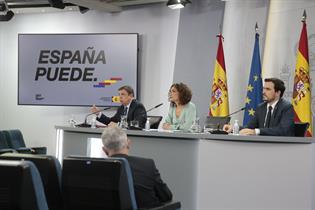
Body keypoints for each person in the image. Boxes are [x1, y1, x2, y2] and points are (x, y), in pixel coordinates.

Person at [101, 126, 173, 208]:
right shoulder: (147, 165)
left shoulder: (96, 169)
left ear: (104, 150)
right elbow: (166, 196)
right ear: (128, 143)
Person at [223, 78, 295, 136]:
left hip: (280, 148)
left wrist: (257, 131)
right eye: (264, 88)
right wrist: (234, 128)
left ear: (278, 93)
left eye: (268, 89)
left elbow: (283, 130)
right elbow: (250, 127)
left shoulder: (287, 107)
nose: (263, 92)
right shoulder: (261, 107)